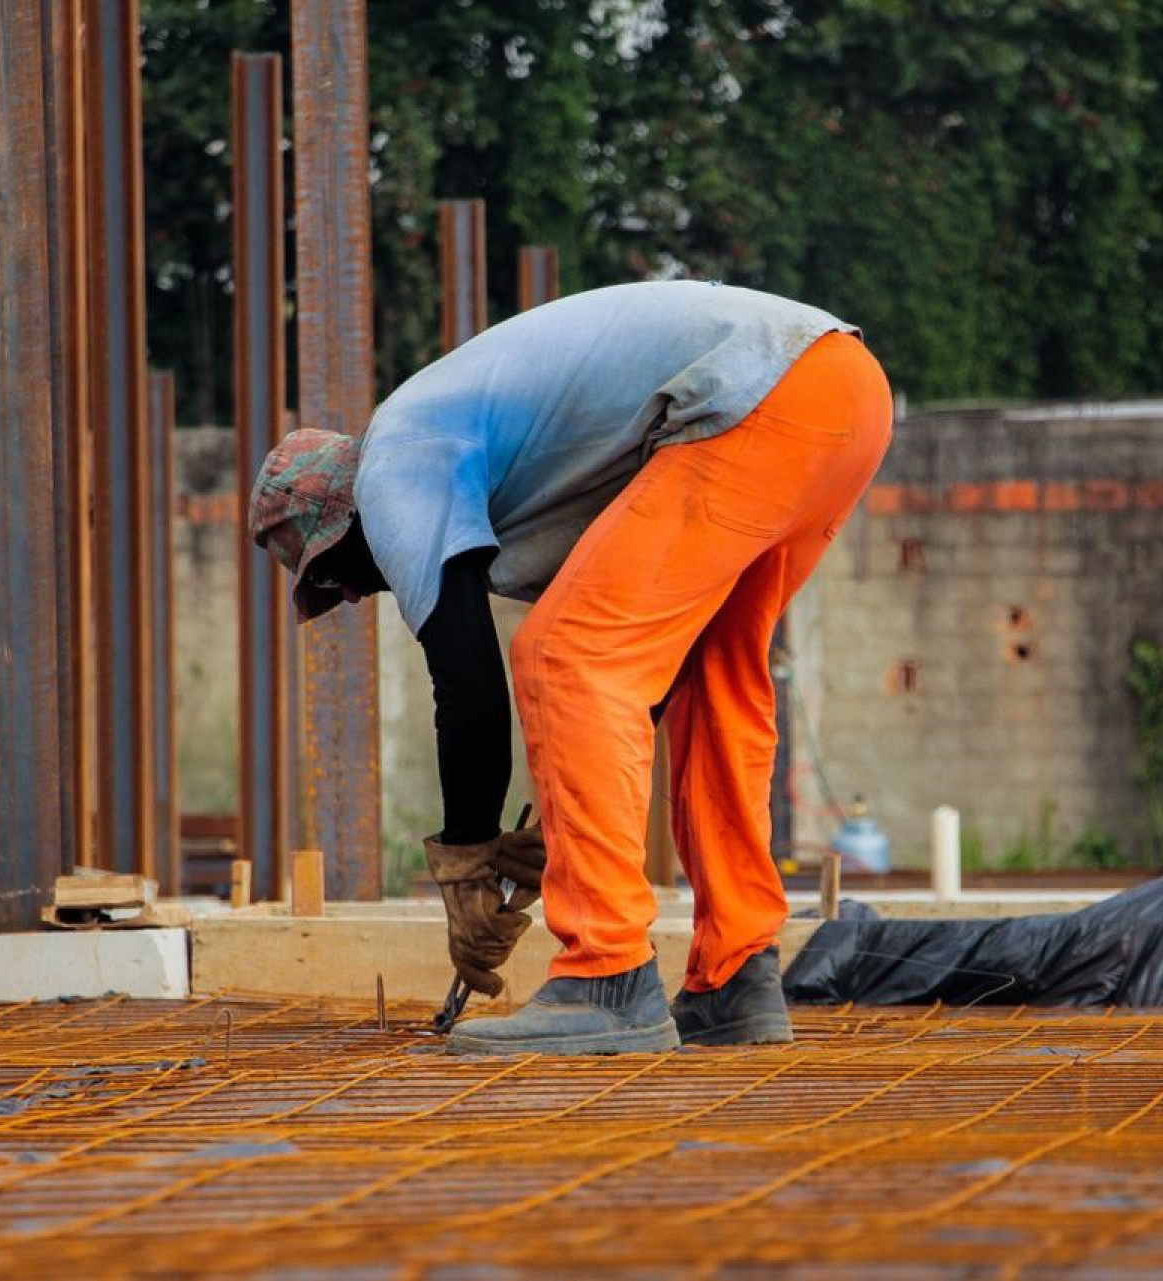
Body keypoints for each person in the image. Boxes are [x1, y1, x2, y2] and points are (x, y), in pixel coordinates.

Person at [249, 280, 892, 1055]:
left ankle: (607, 976)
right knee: (708, 678)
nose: (354, 592)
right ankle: (736, 977)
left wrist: (469, 858)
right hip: (839, 388)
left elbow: (468, 684)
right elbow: (638, 691)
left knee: (564, 655)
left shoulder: (394, 462)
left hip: (757, 393)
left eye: (336, 572)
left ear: (345, 519)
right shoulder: (517, 472)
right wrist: (576, 822)